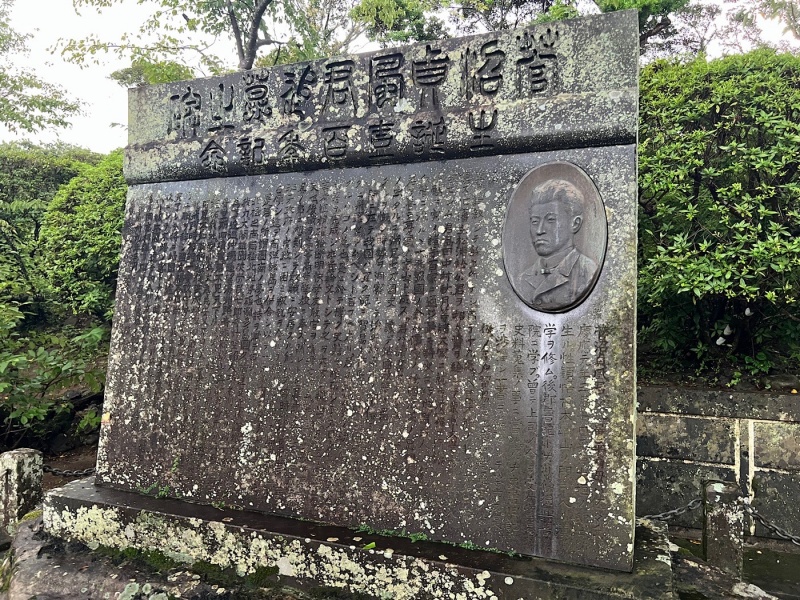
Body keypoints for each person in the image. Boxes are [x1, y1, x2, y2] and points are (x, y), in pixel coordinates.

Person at [519, 179, 598, 311]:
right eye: (534, 221)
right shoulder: (522, 279)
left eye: (550, 220)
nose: (539, 230)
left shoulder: (588, 272)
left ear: (575, 223)